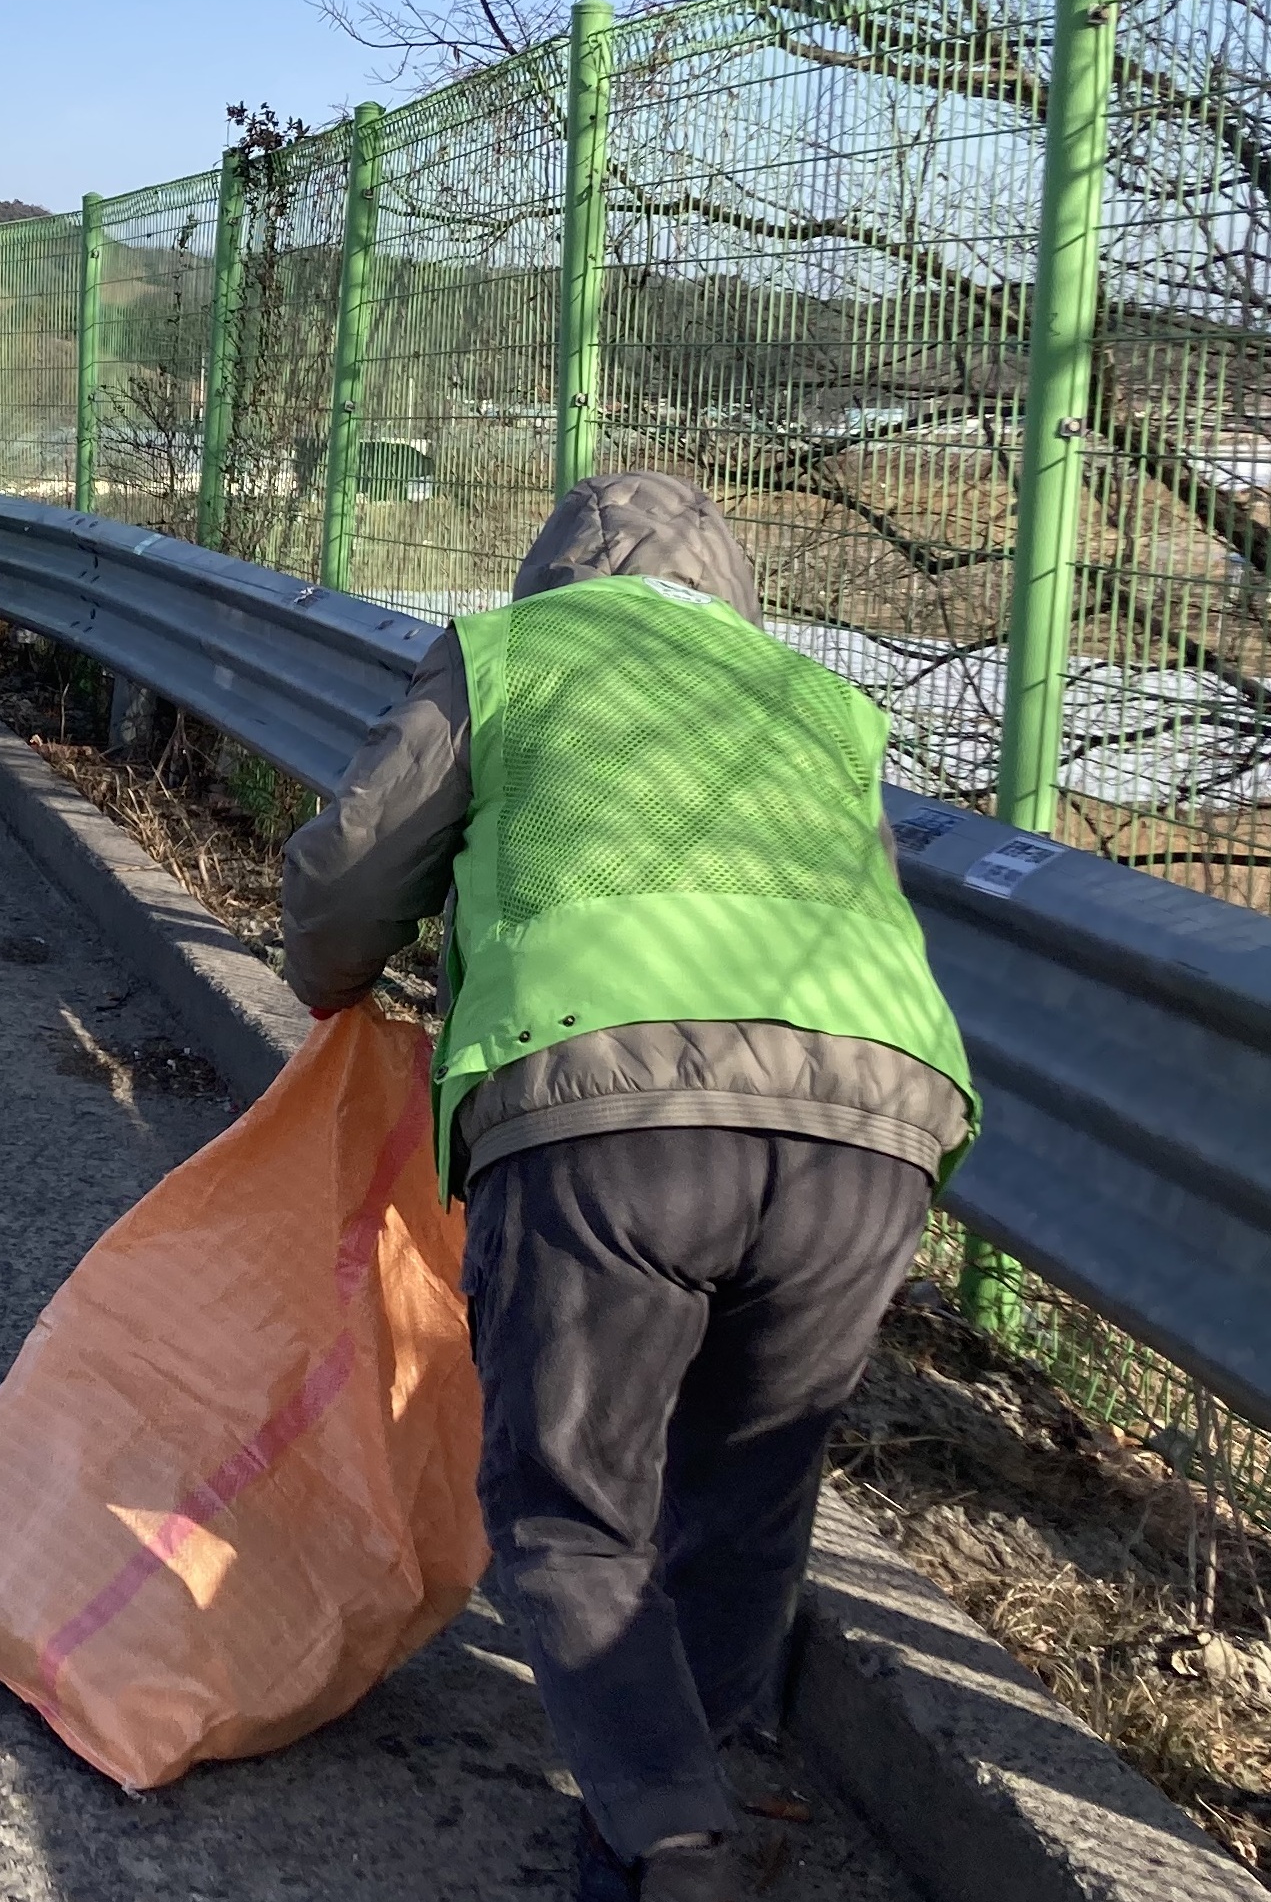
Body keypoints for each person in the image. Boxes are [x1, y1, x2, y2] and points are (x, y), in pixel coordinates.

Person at [278, 471, 976, 1902]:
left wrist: (332, 981)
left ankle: (665, 1833)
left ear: (556, 577)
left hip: (608, 1112)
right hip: (875, 1127)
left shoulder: (511, 654)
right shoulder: (819, 701)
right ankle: (683, 1789)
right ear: (726, 590)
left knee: (568, 1496)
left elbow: (352, 870)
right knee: (748, 1492)